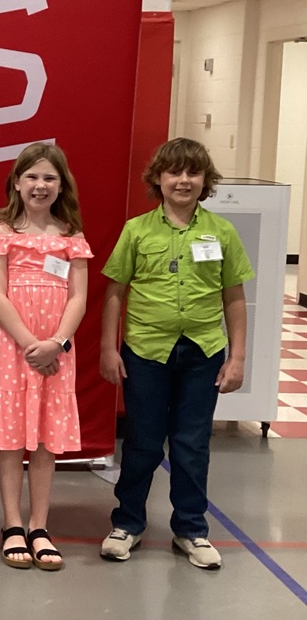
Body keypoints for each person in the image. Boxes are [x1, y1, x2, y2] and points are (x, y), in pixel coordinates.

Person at [99, 138, 253, 570]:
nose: (183, 180)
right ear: (158, 179)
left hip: (203, 352)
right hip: (146, 351)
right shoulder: (137, 230)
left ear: (205, 181)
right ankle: (127, 522)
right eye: (174, 172)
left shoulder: (222, 232)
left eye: (193, 173)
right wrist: (109, 349)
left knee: (191, 443)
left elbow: (234, 297)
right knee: (143, 442)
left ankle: (191, 529)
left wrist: (237, 356)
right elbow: (115, 292)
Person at [0, 142, 90, 571]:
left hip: (57, 347)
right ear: (17, 182)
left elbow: (79, 297)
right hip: (15, 344)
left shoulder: (71, 237)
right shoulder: (2, 234)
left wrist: (58, 343)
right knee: (12, 436)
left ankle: (39, 525)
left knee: (46, 437)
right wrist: (31, 343)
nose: (40, 185)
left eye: (49, 177)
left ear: (61, 184)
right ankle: (11, 524)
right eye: (32, 177)